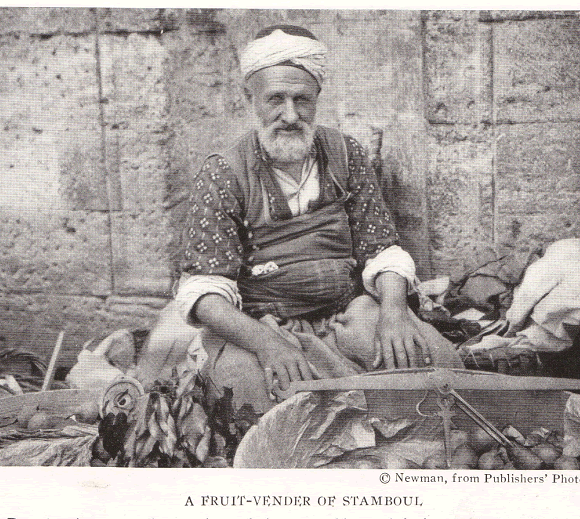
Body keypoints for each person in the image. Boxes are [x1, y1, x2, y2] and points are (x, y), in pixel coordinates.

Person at [172, 25, 461, 415]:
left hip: (348, 313)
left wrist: (393, 313)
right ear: (249, 99)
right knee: (254, 405)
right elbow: (204, 293)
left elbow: (382, 249)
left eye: (302, 100)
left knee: (437, 370)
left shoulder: (345, 153)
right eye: (275, 99)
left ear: (317, 98)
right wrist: (268, 344)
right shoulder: (224, 173)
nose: (290, 116)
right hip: (262, 326)